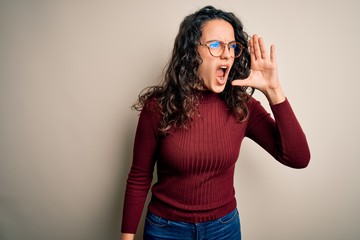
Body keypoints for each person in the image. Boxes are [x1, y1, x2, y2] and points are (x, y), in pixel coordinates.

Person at [120, 5, 310, 240]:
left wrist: (273, 90)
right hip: (166, 229)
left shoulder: (242, 107)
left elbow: (298, 158)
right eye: (216, 45)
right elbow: (139, 177)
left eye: (232, 46)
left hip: (223, 229)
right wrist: (126, 238)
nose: (228, 54)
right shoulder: (158, 107)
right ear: (192, 53)